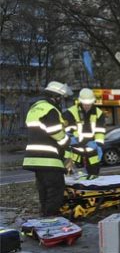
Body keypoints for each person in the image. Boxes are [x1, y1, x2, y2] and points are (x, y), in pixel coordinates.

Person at [22, 81, 72, 216]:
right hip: (48, 159)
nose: (60, 101)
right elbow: (55, 132)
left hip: (34, 159)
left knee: (43, 190)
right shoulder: (50, 109)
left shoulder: (34, 108)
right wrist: (67, 141)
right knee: (56, 190)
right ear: (55, 96)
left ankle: (44, 217)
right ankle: (50, 220)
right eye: (60, 98)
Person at [63, 88, 106, 178]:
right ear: (80, 101)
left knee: (94, 172)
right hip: (75, 147)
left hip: (91, 147)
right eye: (85, 103)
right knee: (68, 171)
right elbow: (66, 129)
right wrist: (71, 139)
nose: (87, 105)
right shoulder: (70, 112)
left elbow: (100, 132)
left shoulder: (99, 113)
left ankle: (93, 183)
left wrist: (98, 144)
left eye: (89, 103)